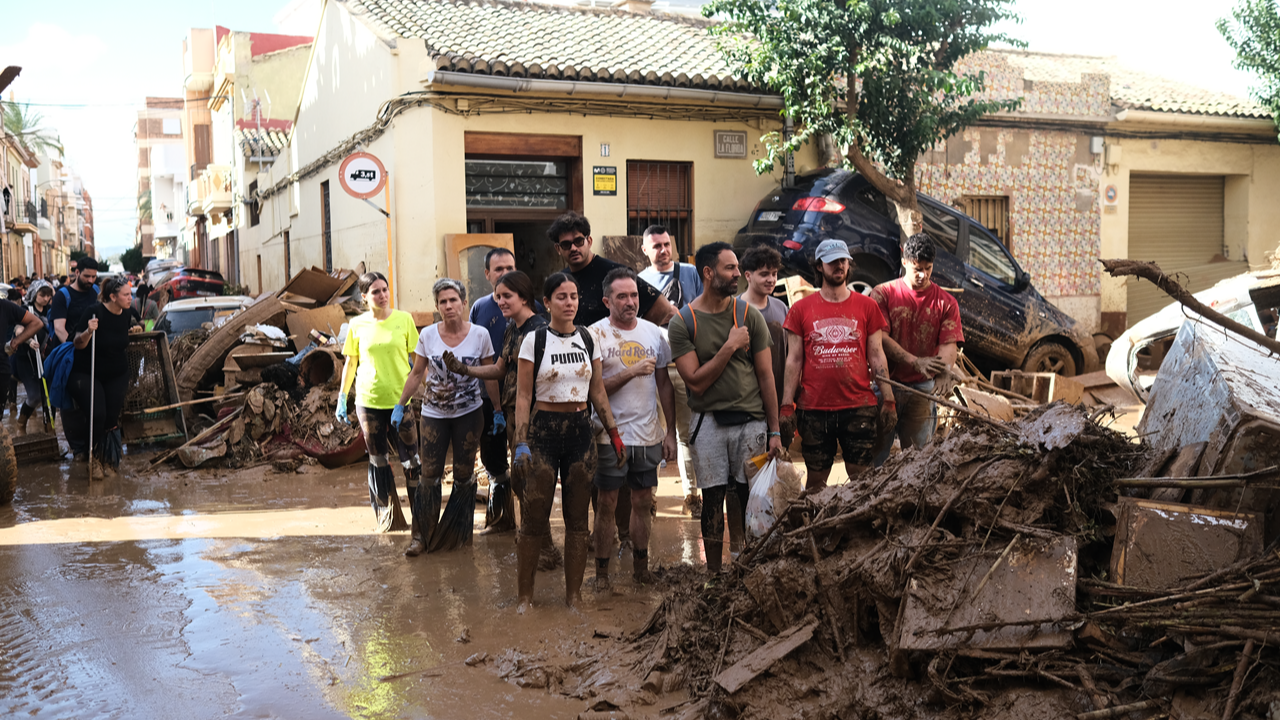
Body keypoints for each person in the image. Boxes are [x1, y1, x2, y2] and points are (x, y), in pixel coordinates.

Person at [511, 272, 625, 611]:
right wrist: (520, 442)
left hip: (580, 432)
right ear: (546, 303)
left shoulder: (589, 339)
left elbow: (598, 390)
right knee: (534, 516)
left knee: (578, 520)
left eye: (574, 296)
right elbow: (523, 395)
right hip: (543, 431)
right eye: (561, 297)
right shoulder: (535, 340)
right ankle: (525, 598)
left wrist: (614, 434)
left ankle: (573, 597)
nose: (570, 302)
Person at [669, 242, 782, 575]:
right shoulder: (683, 322)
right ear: (708, 273)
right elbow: (696, 382)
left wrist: (775, 430)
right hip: (708, 424)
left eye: (736, 268)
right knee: (712, 501)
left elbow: (766, 377)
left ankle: (749, 569)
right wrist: (730, 346)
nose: (737, 275)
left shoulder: (748, 315)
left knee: (750, 501)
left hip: (752, 423)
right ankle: (714, 576)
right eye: (730, 268)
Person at [445, 271, 563, 567]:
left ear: (525, 297)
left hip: (536, 420)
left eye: (506, 296)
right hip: (514, 416)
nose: (499, 302)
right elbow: (499, 369)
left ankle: (544, 549)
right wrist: (465, 369)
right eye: (497, 296)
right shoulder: (513, 327)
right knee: (523, 482)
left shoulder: (541, 330)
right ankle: (538, 544)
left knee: (533, 483)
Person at [780, 240, 896, 490]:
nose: (839, 265)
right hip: (813, 408)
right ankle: (816, 527)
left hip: (859, 406)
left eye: (843, 260)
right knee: (816, 480)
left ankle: (860, 527)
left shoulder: (868, 306)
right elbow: (794, 359)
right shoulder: (800, 310)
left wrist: (888, 399)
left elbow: (877, 355)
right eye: (833, 261)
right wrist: (787, 405)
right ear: (819, 266)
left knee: (861, 478)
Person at [587, 267, 676, 591]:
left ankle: (641, 569)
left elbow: (664, 385)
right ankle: (602, 575)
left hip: (648, 434)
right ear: (607, 301)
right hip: (609, 434)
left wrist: (670, 433)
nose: (630, 302)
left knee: (642, 501)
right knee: (607, 503)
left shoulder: (655, 333)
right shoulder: (594, 335)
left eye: (634, 295)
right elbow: (592, 390)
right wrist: (632, 371)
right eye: (622, 296)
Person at [396, 279, 497, 553]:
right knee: (429, 475)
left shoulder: (480, 335)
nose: (448, 305)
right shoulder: (428, 335)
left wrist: (498, 410)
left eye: (453, 300)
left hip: (469, 412)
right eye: (443, 301)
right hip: (433, 414)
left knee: (464, 475)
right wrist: (401, 403)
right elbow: (417, 373)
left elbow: (490, 375)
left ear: (464, 303)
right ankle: (421, 537)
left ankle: (459, 534)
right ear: (437, 306)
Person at [337, 272, 423, 544]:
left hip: (401, 401)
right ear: (364, 297)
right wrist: (342, 397)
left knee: (411, 461)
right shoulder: (357, 325)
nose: (383, 295)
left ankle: (421, 520)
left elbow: (418, 361)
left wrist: (426, 390)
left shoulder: (404, 320)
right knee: (378, 461)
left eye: (385, 289)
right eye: (375, 291)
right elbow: (351, 364)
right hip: (368, 400)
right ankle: (388, 519)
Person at [870, 234, 963, 465]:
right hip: (885, 384)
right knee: (874, 460)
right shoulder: (882, 293)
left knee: (920, 461)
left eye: (928, 268)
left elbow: (949, 344)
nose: (922, 275)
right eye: (916, 268)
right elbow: (880, 338)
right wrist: (915, 361)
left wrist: (943, 369)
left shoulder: (946, 302)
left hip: (922, 388)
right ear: (904, 261)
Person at [467, 248, 541, 534]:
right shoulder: (481, 308)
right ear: (487, 275)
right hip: (490, 395)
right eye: (498, 270)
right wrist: (467, 373)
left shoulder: (535, 319)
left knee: (526, 466)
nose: (505, 273)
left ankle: (535, 533)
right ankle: (502, 520)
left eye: (510, 267)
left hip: (524, 404)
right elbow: (488, 359)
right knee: (492, 459)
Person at [638, 224, 703, 517]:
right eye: (657, 246)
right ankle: (650, 497)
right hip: (650, 369)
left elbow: (702, 310)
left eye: (667, 244)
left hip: (684, 365)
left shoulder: (690, 273)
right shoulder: (639, 282)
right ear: (645, 251)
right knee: (652, 432)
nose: (663, 251)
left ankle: (692, 495)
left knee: (685, 434)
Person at [68, 276, 140, 480]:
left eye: (129, 293)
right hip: (87, 372)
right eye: (126, 295)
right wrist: (89, 331)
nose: (129, 298)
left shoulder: (127, 313)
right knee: (98, 414)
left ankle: (109, 458)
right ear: (112, 296)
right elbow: (77, 343)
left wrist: (136, 329)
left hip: (117, 372)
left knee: (111, 417)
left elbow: (137, 325)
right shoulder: (94, 312)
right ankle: (92, 458)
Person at [549, 211, 675, 328]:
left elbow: (662, 306)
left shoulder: (615, 273)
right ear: (558, 249)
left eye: (579, 241)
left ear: (589, 241)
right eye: (566, 245)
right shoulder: (561, 280)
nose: (573, 248)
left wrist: (636, 334)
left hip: (613, 350)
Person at [13, 285, 55, 435]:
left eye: (48, 295)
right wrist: (28, 339)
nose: (45, 298)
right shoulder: (26, 309)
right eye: (42, 295)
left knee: (49, 396)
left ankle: (50, 431)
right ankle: (21, 424)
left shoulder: (51, 310)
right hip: (27, 359)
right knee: (35, 395)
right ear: (34, 293)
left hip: (48, 357)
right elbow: (17, 328)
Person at [738, 246, 789, 326]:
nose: (771, 280)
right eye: (764, 275)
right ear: (748, 276)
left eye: (774, 274)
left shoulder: (781, 308)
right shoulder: (733, 310)